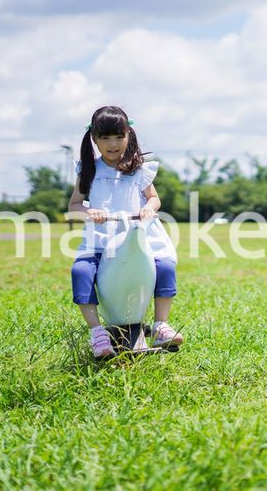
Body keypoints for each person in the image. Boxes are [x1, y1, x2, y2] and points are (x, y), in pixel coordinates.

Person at [69, 105, 183, 358]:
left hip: (139, 234)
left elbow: (154, 199)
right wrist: (90, 212)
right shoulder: (88, 170)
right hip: (101, 238)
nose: (113, 144)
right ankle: (97, 332)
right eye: (105, 138)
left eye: (119, 136)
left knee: (164, 266)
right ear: (94, 140)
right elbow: (74, 204)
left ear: (128, 135)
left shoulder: (139, 169)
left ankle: (160, 324)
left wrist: (149, 210)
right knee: (81, 271)